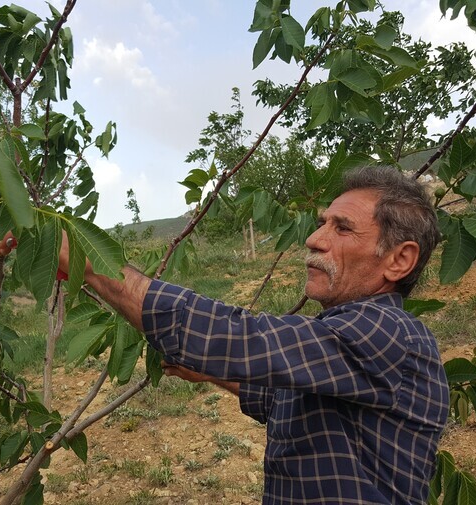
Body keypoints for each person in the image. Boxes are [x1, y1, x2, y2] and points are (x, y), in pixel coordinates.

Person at [58, 166, 449, 504]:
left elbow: (241, 338)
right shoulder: (342, 345)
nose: (314, 239)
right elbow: (282, 399)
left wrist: (88, 261)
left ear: (399, 260)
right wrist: (209, 372)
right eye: (322, 223)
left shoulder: (389, 331)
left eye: (343, 228)